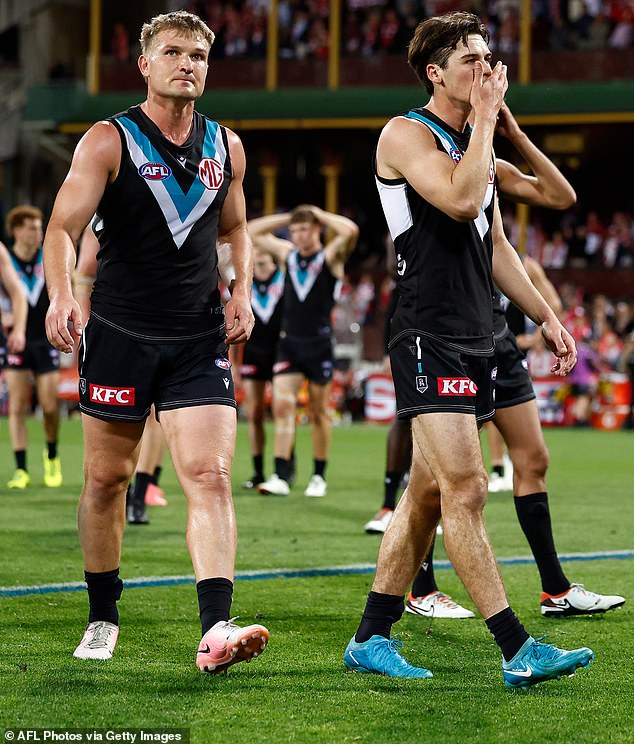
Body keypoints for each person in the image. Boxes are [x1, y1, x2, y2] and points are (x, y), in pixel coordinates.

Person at [344, 12, 593, 687]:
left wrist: (546, 316)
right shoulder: (406, 134)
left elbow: (495, 243)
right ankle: (516, 647)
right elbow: (456, 203)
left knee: (423, 496)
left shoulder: (471, 140)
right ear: (435, 73)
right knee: (468, 486)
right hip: (428, 330)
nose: (487, 72)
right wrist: (487, 120)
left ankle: (371, 636)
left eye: (491, 60)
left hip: (477, 331)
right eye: (472, 62)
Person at [43, 10, 268, 672]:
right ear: (144, 64)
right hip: (119, 333)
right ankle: (102, 615)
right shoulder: (109, 140)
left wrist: (242, 291)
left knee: (210, 474)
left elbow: (236, 230)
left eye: (198, 54)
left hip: (198, 336)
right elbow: (61, 227)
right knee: (107, 478)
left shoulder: (227, 145)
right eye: (172, 51)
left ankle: (217, 626)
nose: (187, 62)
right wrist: (61, 295)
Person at [248, 205, 359, 497]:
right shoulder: (288, 257)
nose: (298, 234)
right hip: (289, 344)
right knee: (283, 407)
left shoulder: (330, 258)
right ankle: (281, 475)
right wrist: (290, 217)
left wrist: (318, 215)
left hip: (319, 344)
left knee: (320, 412)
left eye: (304, 229)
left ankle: (319, 476)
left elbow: (350, 231)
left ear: (317, 230)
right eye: (294, 230)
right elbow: (252, 230)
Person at [74, 224, 167, 525]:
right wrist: (85, 322)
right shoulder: (102, 214)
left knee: (155, 416)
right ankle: (126, 492)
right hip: (117, 328)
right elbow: (84, 273)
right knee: (121, 420)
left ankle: (140, 493)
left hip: (171, 326)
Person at [4, 206, 62, 489]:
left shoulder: (48, 256)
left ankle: (51, 455)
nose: (38, 232)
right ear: (16, 230)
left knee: (50, 406)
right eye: (31, 227)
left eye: (40, 227)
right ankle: (21, 468)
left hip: (46, 338)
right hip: (16, 340)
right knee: (16, 405)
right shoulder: (6, 259)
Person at [233, 248, 286, 490]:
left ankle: (284, 466)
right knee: (253, 412)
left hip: (280, 350)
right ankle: (257, 471)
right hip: (252, 352)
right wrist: (234, 362)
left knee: (280, 410)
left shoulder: (284, 277)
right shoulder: (245, 280)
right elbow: (232, 320)